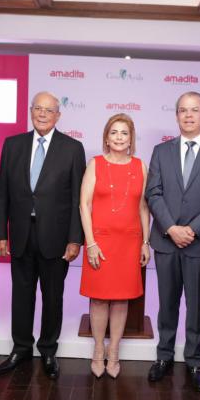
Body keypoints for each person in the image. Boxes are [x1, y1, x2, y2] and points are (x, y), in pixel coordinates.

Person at [145, 91, 200, 392]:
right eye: (183, 110)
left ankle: (195, 360)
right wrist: (171, 227)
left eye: (194, 110)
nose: (188, 115)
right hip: (166, 240)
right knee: (167, 303)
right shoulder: (161, 151)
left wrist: (192, 230)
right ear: (176, 115)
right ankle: (164, 356)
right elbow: (153, 193)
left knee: (197, 305)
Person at [0, 91, 86, 379]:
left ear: (58, 115)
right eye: (38, 108)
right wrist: (0, 234)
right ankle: (20, 348)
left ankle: (48, 350)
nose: (42, 114)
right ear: (31, 111)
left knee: (53, 296)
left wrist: (75, 238)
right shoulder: (13, 145)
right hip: (20, 234)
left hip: (56, 238)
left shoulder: (72, 148)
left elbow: (77, 199)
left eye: (49, 110)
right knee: (21, 295)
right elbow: (3, 194)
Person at [79, 113, 150, 379]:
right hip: (100, 242)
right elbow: (84, 205)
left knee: (121, 300)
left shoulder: (141, 166)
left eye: (124, 133)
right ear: (106, 137)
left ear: (131, 138)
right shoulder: (95, 164)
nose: (119, 137)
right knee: (98, 298)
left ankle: (115, 350)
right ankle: (99, 350)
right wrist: (91, 243)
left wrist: (146, 241)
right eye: (114, 132)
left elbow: (144, 207)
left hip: (129, 242)